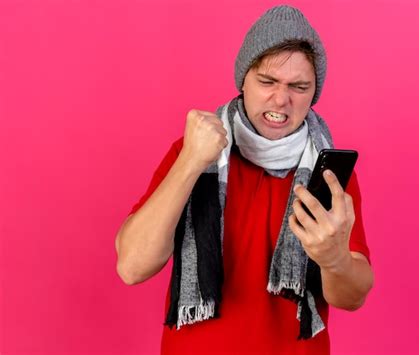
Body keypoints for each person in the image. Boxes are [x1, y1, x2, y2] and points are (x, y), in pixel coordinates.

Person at [115, 5, 373, 354]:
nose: (281, 99)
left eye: (299, 86)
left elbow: (352, 297)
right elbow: (132, 267)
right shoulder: (194, 150)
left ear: (314, 93)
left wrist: (333, 259)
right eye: (267, 81)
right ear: (243, 80)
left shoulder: (327, 173)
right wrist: (191, 160)